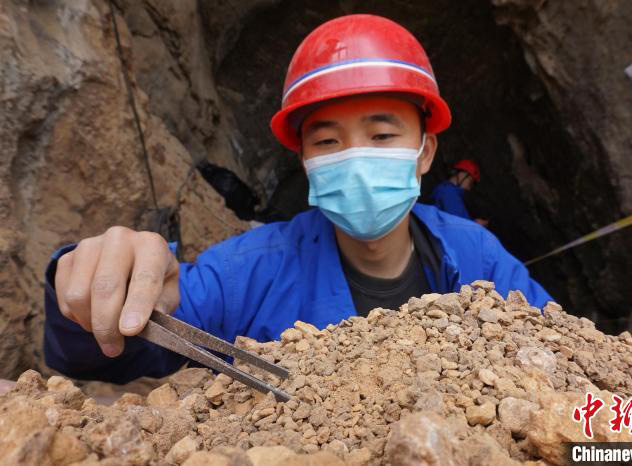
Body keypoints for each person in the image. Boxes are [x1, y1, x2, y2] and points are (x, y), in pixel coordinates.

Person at [43, 14, 553, 384]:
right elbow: (112, 351)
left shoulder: (478, 257)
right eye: (328, 142)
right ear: (305, 160)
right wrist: (94, 290)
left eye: (381, 136)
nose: (355, 160)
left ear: (425, 152)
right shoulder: (252, 271)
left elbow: (565, 352)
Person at [431, 159, 489, 226]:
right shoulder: (448, 191)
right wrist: (475, 224)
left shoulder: (448, 190)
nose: (469, 188)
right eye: (470, 183)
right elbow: (458, 223)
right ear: (462, 175)